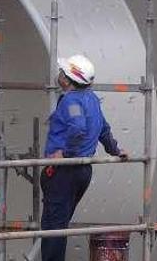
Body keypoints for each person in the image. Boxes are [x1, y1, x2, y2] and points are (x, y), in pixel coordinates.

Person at [41, 54, 128, 261]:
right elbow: (104, 130)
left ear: (68, 79)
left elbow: (78, 128)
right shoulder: (92, 100)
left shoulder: (71, 101)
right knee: (59, 225)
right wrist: (116, 150)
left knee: (54, 228)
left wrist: (65, 153)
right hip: (83, 172)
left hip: (64, 172)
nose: (59, 75)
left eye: (62, 72)